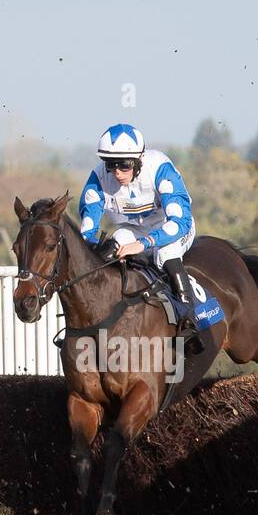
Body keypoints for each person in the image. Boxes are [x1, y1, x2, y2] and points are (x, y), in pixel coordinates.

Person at [78, 123, 203, 354]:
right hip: (132, 229)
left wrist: (143, 244)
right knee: (114, 245)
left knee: (164, 254)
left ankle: (188, 319)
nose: (117, 172)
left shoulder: (160, 168)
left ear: (139, 160)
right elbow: (87, 230)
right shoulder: (98, 178)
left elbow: (180, 222)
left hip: (172, 227)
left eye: (124, 165)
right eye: (111, 164)